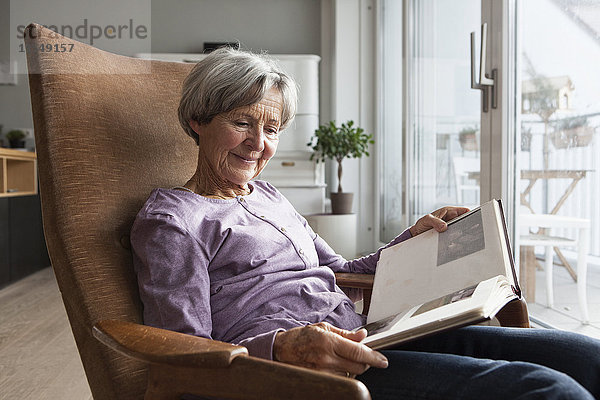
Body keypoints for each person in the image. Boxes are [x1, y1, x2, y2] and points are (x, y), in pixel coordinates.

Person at [130, 48, 600, 399]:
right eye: (241, 122)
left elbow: (340, 269)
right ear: (197, 120)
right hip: (309, 372)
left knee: (584, 356)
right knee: (545, 390)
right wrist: (282, 348)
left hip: (370, 331)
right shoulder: (172, 221)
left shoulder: (268, 196)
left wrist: (413, 241)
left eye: (271, 129)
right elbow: (182, 349)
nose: (258, 143)